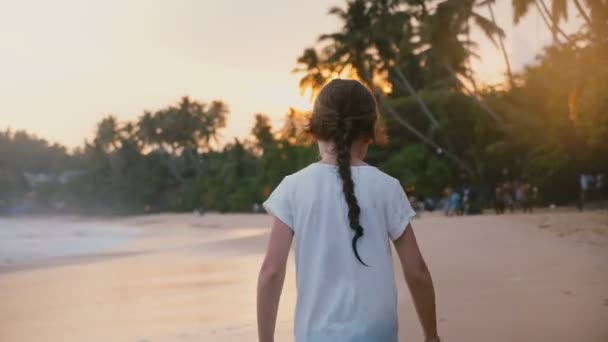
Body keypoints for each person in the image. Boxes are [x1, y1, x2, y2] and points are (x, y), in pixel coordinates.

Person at [257, 79, 440, 342]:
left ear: (316, 129)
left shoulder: (293, 188)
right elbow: (416, 271)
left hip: (316, 335)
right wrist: (431, 335)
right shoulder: (387, 187)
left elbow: (271, 272)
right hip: (377, 334)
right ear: (370, 133)